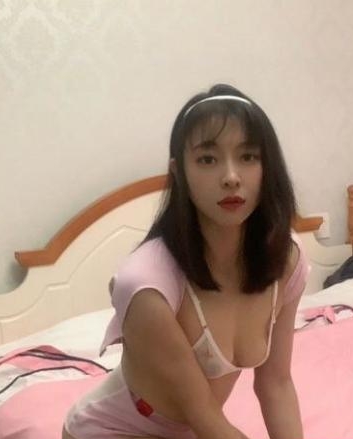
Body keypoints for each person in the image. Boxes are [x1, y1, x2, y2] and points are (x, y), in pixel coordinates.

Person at [63, 84, 309, 439]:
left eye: (248, 157)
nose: (231, 177)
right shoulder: (146, 286)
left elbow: (276, 384)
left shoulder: (285, 261)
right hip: (110, 431)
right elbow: (206, 419)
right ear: (179, 172)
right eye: (207, 159)